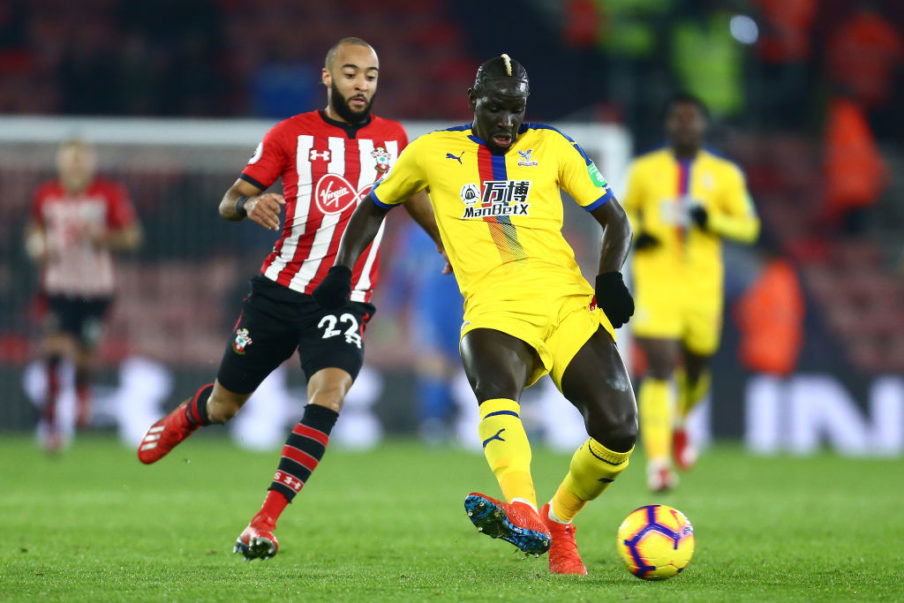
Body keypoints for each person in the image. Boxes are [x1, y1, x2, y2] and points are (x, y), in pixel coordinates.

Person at [314, 54, 637, 575]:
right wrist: (341, 270)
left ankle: (559, 520)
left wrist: (610, 278)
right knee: (495, 389)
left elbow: (615, 219)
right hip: (492, 306)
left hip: (567, 305)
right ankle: (523, 509)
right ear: (473, 103)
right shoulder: (432, 152)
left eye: (517, 110)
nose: (508, 122)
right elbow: (374, 205)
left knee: (618, 432)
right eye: (497, 109)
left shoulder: (553, 146)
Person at [135, 37, 443, 560]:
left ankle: (265, 520)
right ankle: (190, 415)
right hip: (278, 292)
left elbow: (414, 197)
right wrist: (250, 202)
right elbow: (229, 200)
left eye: (370, 75)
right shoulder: (289, 134)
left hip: (345, 298)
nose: (361, 85)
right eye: (350, 74)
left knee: (329, 392)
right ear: (327, 78)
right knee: (226, 404)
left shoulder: (394, 140)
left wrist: (446, 244)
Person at [622, 93, 760, 492]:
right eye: (678, 119)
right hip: (656, 285)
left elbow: (749, 227)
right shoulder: (645, 170)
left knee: (697, 369)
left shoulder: (726, 174)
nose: (685, 125)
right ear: (668, 125)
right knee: (661, 367)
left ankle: (681, 419)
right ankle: (660, 464)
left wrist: (712, 219)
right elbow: (624, 211)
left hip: (702, 289)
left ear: (703, 125)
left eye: (692, 119)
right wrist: (639, 232)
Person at [24, 138, 142, 452]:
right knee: (54, 346)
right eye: (70, 159)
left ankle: (81, 395)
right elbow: (34, 230)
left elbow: (132, 237)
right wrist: (38, 247)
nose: (75, 165)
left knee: (83, 354)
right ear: (61, 162)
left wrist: (102, 236)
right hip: (57, 286)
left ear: (90, 163)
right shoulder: (45, 194)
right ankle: (51, 422)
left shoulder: (109, 194)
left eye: (81, 159)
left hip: (97, 290)